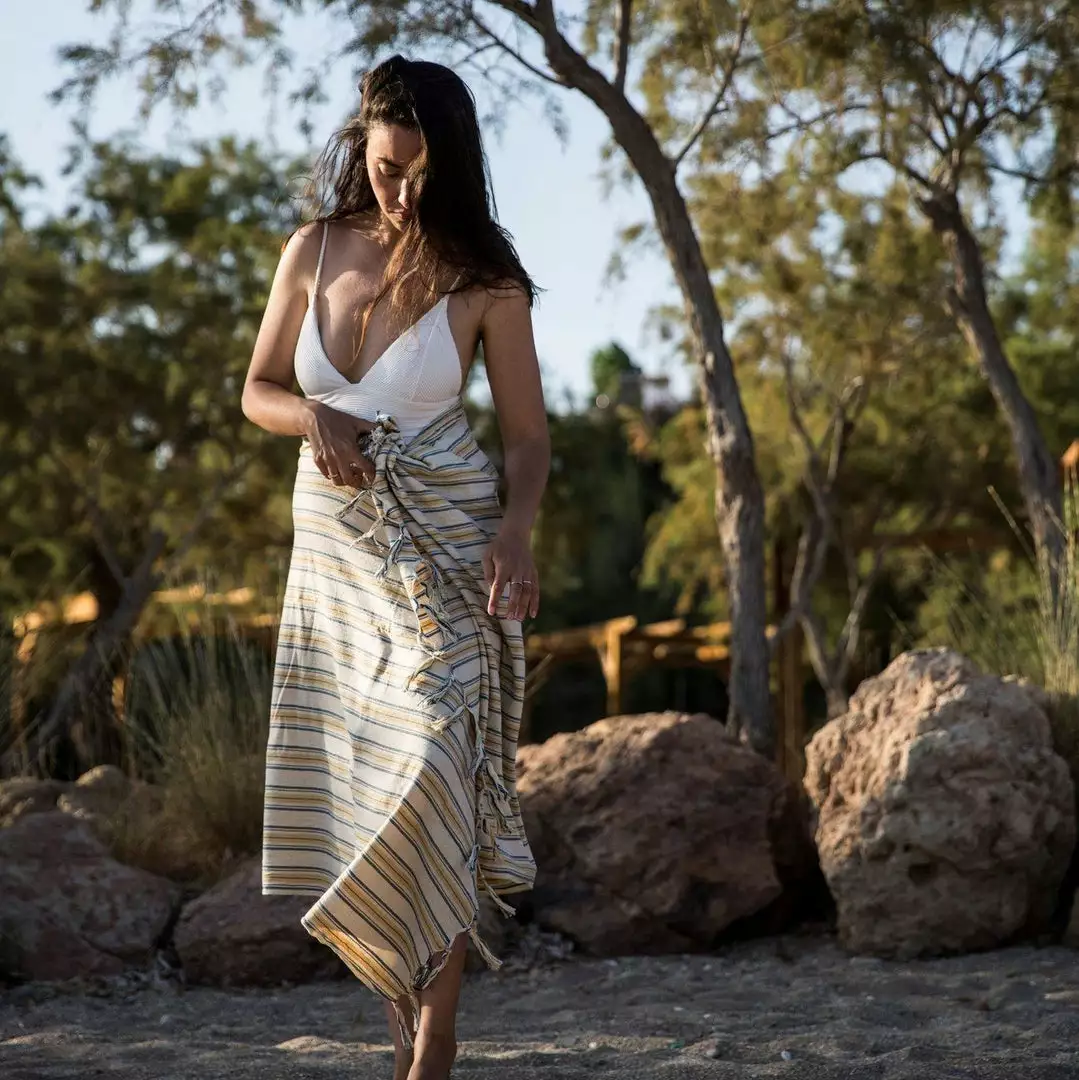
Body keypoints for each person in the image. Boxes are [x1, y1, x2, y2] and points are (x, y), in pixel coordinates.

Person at [241, 55, 549, 1080]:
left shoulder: (484, 278)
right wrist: (313, 416)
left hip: (450, 540)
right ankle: (401, 1010)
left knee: (435, 755)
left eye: (421, 174)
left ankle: (437, 1036)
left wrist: (517, 530)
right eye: (385, 169)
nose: (402, 191)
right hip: (337, 552)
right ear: (359, 148)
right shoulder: (313, 248)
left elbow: (526, 438)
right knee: (363, 780)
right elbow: (256, 389)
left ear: (452, 165)